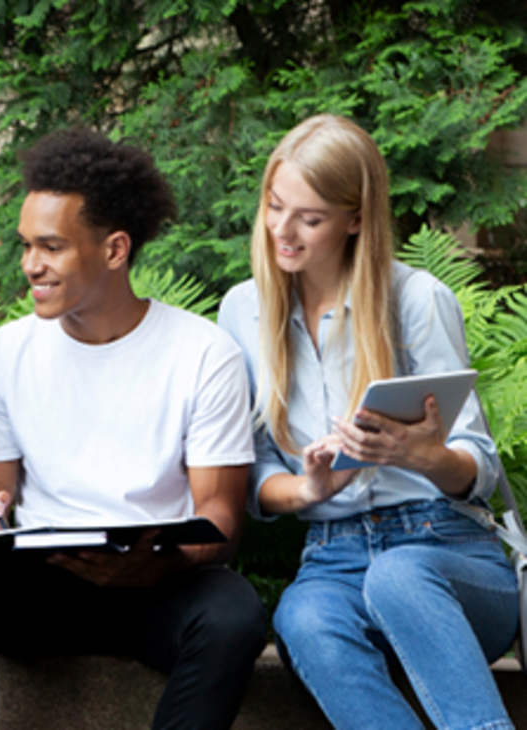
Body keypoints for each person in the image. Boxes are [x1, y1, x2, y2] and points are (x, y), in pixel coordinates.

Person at [0, 128, 268, 730]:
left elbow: (221, 522)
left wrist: (153, 566)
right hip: (40, 585)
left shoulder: (203, 354)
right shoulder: (3, 356)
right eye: (27, 245)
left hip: (158, 581)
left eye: (51, 247)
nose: (31, 265)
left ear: (114, 249)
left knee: (234, 612)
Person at [218, 114, 518, 729]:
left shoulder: (416, 299)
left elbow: (479, 467)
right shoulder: (243, 310)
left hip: (446, 547)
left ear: (356, 218)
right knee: (302, 618)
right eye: (275, 206)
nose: (283, 229)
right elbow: (255, 478)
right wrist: (308, 489)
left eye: (310, 216)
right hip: (334, 554)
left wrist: (419, 453)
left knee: (399, 575)